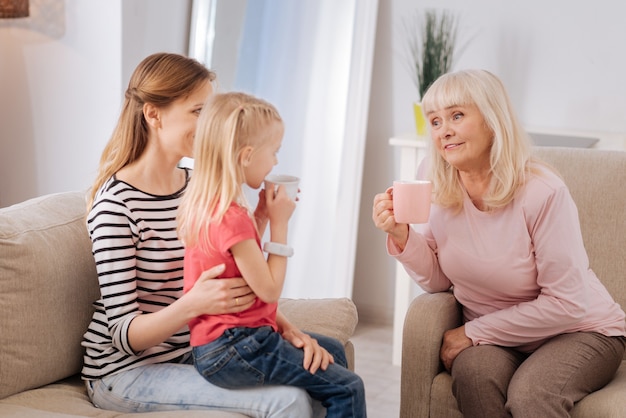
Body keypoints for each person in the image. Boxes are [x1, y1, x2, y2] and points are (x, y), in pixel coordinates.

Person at [81, 52, 336, 417]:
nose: (209, 124)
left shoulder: (197, 185)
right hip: (125, 372)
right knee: (289, 400)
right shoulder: (116, 207)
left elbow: (234, 268)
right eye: (197, 111)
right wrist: (193, 304)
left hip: (200, 349)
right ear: (153, 115)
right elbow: (125, 334)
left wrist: (287, 329)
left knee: (322, 369)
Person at [372, 69, 626, 417]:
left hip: (580, 330)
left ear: (492, 120)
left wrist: (473, 331)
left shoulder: (543, 192)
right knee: (474, 375)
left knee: (531, 396)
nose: (443, 130)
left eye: (456, 116)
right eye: (434, 121)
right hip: (498, 336)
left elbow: (568, 304)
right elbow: (438, 280)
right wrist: (401, 236)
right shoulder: (431, 176)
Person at [177, 91, 366, 418]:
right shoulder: (232, 216)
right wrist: (280, 225)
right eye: (274, 152)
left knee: (332, 350)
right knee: (348, 387)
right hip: (236, 348)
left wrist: (262, 215)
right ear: (247, 155)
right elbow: (268, 289)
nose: (276, 162)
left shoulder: (213, 206)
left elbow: (241, 265)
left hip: (222, 345)